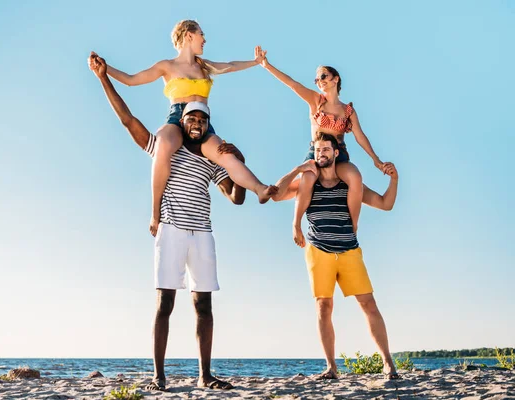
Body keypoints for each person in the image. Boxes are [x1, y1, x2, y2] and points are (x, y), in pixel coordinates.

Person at [88, 53, 283, 391]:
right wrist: (104, 78)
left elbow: (236, 198)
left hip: (202, 235)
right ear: (183, 121)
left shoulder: (212, 161)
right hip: (172, 230)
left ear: (208, 125)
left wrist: (239, 160)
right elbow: (127, 120)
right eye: (192, 118)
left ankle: (205, 376)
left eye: (202, 121)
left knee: (203, 306)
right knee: (165, 303)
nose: (197, 123)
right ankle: (158, 376)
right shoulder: (164, 149)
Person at [94, 20, 276, 237]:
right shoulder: (167, 66)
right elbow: (131, 80)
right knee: (162, 146)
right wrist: (105, 69)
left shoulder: (204, 65)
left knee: (226, 155)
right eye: (201, 34)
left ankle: (260, 189)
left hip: (203, 122)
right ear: (188, 35)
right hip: (178, 118)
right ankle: (155, 213)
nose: (204, 39)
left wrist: (256, 62)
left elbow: (230, 65)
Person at [287, 132, 400, 380]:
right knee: (323, 307)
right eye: (318, 151)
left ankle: (388, 363)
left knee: (368, 304)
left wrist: (394, 180)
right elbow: (276, 194)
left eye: (326, 149)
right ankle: (331, 367)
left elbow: (385, 203)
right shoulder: (308, 184)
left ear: (336, 153)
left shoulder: (351, 184)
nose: (322, 154)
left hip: (349, 251)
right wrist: (296, 172)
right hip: (319, 252)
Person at [260, 52, 390, 233]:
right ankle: (296, 224)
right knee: (307, 178)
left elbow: (360, 136)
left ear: (336, 79)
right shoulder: (316, 101)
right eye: (316, 79)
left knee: (355, 177)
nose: (319, 81)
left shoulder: (348, 111)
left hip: (339, 154)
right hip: (316, 152)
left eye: (323, 76)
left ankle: (353, 226)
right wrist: (267, 65)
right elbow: (292, 84)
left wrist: (376, 160)